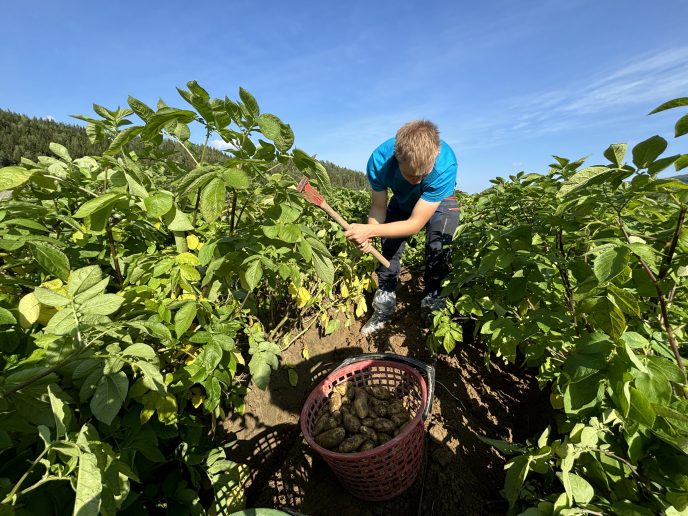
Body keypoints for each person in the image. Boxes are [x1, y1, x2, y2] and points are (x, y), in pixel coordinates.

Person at [344, 120, 460, 336]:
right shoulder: (379, 161)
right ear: (397, 157)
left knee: (438, 251)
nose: (416, 180)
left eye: (422, 175)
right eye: (410, 175)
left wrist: (369, 231)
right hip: (402, 199)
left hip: (439, 202)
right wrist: (369, 235)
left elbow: (414, 224)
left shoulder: (446, 165)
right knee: (388, 247)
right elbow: (378, 207)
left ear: (434, 158)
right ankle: (384, 304)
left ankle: (434, 305)